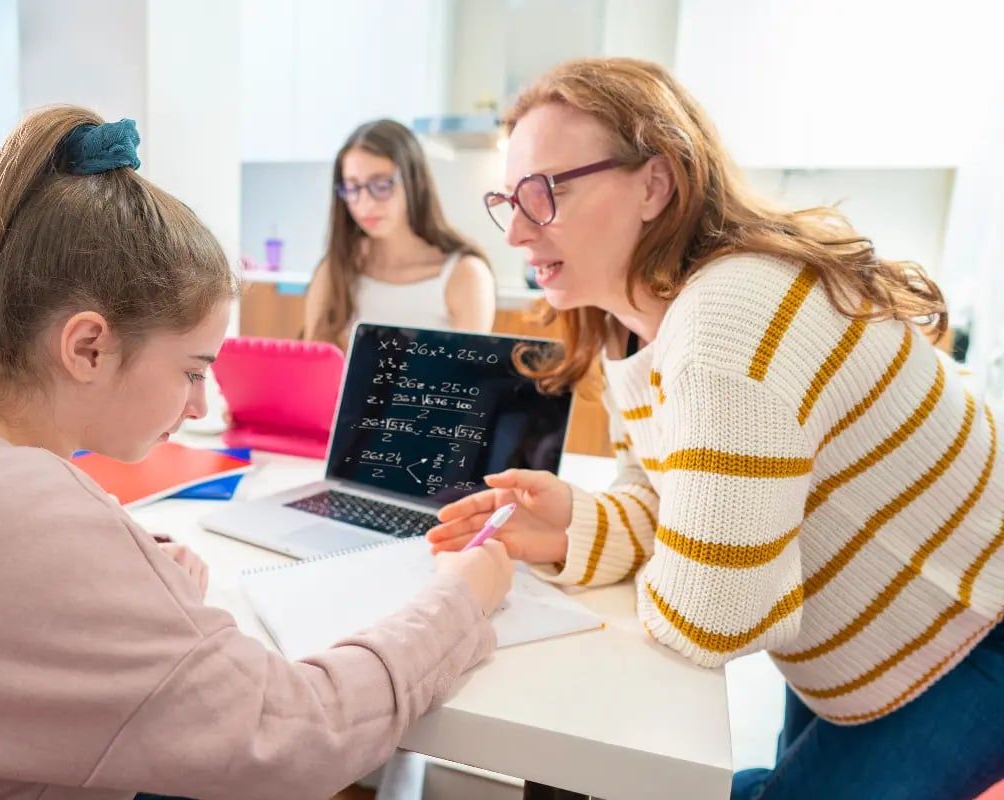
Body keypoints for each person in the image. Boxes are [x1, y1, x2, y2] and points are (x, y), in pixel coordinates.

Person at [0, 106, 514, 800]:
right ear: (88, 346)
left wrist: (116, 594)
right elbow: (300, 736)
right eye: (192, 370)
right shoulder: (34, 517)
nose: (201, 406)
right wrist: (461, 598)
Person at [427, 58, 1004, 800]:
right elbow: (660, 490)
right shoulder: (633, 325)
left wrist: (664, 548)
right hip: (867, 637)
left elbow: (714, 619)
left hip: (975, 621)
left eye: (545, 193)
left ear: (654, 185)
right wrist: (579, 526)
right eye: (509, 198)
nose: (514, 231)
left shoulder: (728, 317)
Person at [304, 118, 495, 349]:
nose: (365, 204)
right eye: (353, 187)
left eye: (381, 185)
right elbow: (316, 366)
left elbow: (467, 376)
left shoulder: (465, 274)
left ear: (415, 182)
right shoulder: (335, 269)